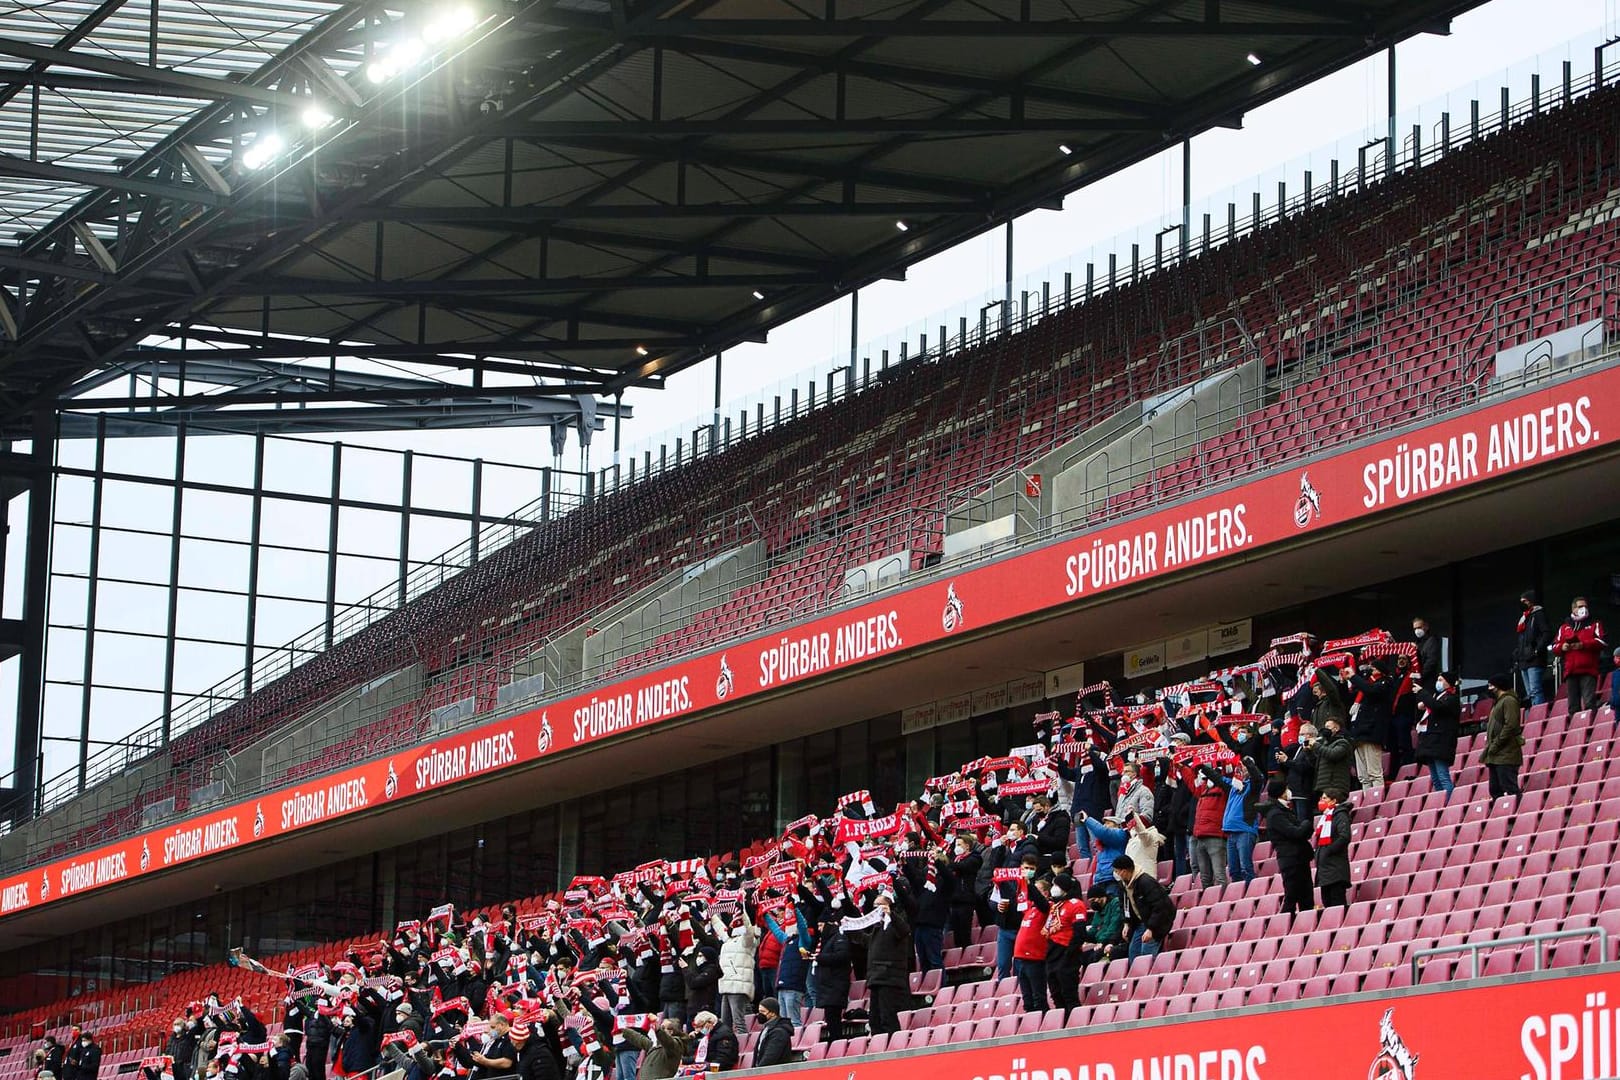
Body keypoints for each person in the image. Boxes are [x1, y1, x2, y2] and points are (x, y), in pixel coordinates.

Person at [851, 894, 910, 1036]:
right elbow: (866, 941)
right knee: (875, 1020)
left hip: (889, 978)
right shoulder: (878, 928)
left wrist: (891, 914)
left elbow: (904, 930)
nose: (876, 909)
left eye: (879, 905)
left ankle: (894, 1046)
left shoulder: (895, 924)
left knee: (887, 1017)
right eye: (874, 906)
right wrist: (849, 929)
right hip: (876, 978)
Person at [1257, 779, 1315, 916]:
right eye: (1286, 789)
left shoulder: (1284, 810)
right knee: (1292, 895)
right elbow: (1296, 832)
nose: (1289, 791)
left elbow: (1302, 831)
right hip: (1291, 860)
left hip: (1300, 858)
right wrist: (1307, 822)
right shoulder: (1276, 814)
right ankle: (1283, 924)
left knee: (1306, 897)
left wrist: (1303, 827)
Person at [1042, 873, 1089, 1013]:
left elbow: (1080, 932)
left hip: (1067, 951)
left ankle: (1074, 1023)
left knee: (1069, 992)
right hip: (1053, 951)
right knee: (1055, 992)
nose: (1054, 888)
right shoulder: (1055, 906)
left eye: (1056, 885)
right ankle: (1062, 1023)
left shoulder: (1076, 904)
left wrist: (1070, 952)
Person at [1112, 855, 1173, 964]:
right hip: (1141, 922)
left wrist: (1151, 929)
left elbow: (1160, 907)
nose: (1116, 874)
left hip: (1158, 921)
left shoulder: (1146, 882)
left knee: (1146, 954)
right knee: (1133, 953)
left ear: (1124, 871)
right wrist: (1126, 923)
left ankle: (1150, 978)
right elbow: (1124, 905)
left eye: (1117, 871)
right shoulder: (1123, 885)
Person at [1553, 597, 1607, 713]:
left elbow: (1603, 642)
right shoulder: (1564, 627)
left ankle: (1591, 728)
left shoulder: (1595, 624)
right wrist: (1562, 647)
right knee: (1573, 707)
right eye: (1580, 606)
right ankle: (1575, 729)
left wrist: (1583, 644)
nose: (1584, 609)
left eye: (1586, 606)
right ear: (1573, 609)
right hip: (1571, 671)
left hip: (1588, 670)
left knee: (1589, 703)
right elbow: (1553, 647)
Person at [1346, 661, 1394, 793]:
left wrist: (1354, 677)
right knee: (1363, 776)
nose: (1370, 670)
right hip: (1359, 733)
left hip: (1372, 733)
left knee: (1374, 773)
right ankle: (1367, 803)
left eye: (1373, 668)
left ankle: (1377, 802)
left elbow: (1371, 690)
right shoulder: (1366, 685)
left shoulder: (1385, 684)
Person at [1413, 670, 1461, 798]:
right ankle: (1441, 802)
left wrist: (1422, 693)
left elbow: (1438, 707)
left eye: (1441, 680)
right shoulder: (1436, 697)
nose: (1438, 683)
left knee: (1443, 777)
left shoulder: (1451, 699)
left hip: (1441, 743)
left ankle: (1449, 803)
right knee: (1435, 779)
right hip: (1431, 743)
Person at [711, 912, 756, 1038]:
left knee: (738, 1022)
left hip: (738, 985)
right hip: (726, 984)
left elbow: (749, 931)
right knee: (725, 1023)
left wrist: (743, 914)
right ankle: (726, 1046)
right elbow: (719, 927)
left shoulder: (746, 942)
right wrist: (711, 913)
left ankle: (744, 1047)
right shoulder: (728, 941)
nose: (731, 925)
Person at [1011, 875, 1052, 1012]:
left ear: (1046, 893)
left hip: (1035, 958)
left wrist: (1029, 885)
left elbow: (1041, 901)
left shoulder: (1047, 908)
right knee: (1027, 1000)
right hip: (1021, 958)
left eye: (1037, 889)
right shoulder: (1030, 909)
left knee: (1038, 998)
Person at [1483, 672, 1525, 799]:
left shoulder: (1509, 701)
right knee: (1495, 790)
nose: (1489, 689)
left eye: (1491, 686)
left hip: (1506, 753)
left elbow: (1511, 725)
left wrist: (1496, 743)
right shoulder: (1499, 702)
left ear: (1498, 686)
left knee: (1509, 787)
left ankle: (1516, 812)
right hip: (1497, 754)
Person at [809, 916, 850, 1043]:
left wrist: (820, 958)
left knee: (834, 1020)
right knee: (831, 1020)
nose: (820, 929)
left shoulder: (839, 937)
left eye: (821, 926)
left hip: (835, 987)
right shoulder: (828, 940)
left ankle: (837, 1045)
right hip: (829, 988)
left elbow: (842, 956)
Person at [1313, 788, 1353, 909]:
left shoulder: (1340, 815)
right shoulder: (1324, 818)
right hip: (1325, 871)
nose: (1321, 801)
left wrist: (1328, 850)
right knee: (1327, 903)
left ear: (1333, 801)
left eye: (1324, 798)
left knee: (1337, 905)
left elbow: (1344, 836)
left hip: (1336, 869)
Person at [1190, 769, 1228, 889]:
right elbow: (1190, 781)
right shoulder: (1203, 792)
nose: (1206, 781)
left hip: (1216, 837)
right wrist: (1182, 768)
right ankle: (1209, 904)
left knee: (1219, 874)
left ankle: (1223, 903)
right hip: (1200, 837)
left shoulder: (1223, 791)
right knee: (1204, 877)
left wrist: (1204, 767)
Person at [621, 1017, 691, 1080]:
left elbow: (668, 1041)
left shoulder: (676, 1045)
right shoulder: (655, 1045)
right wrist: (624, 1030)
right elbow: (640, 1039)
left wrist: (658, 1030)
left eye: (663, 1028)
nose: (660, 1029)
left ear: (671, 1032)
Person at [1515, 590, 1552, 706]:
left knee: (1536, 690)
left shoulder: (1538, 614)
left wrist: (1537, 650)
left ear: (1531, 601)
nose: (1522, 603)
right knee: (1530, 692)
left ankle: (1539, 714)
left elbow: (1547, 633)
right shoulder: (1524, 618)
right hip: (1524, 660)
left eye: (1524, 601)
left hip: (1535, 659)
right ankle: (1535, 715)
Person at [946, 833, 983, 949]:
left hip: (966, 899)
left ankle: (967, 954)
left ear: (967, 846)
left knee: (964, 932)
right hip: (954, 900)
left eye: (959, 844)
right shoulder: (956, 860)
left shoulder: (974, 858)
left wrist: (947, 864)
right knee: (956, 934)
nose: (956, 847)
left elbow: (962, 867)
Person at [1278, 724, 1317, 824]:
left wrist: (1287, 761)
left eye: (1303, 734)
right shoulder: (1300, 748)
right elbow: (1293, 767)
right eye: (1300, 734)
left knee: (1303, 823)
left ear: (1311, 735)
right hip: (1294, 791)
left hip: (1303, 792)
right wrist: (1283, 762)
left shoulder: (1313, 748)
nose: (1300, 736)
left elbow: (1305, 767)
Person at [1312, 717, 1354, 801]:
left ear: (1336, 729)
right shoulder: (1325, 744)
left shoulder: (1343, 742)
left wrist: (1316, 745)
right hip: (1324, 786)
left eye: (1328, 727)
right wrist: (1308, 751)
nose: (1325, 730)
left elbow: (1333, 754)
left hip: (1336, 786)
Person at [750, 1000, 794, 1068]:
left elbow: (770, 1058)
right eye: (759, 1011)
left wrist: (758, 1072)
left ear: (773, 1013)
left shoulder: (779, 1032)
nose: (760, 1014)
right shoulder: (766, 1028)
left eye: (763, 1012)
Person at [1412, 617, 1442, 686]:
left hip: (1428, 681)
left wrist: (1420, 675)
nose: (1417, 630)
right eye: (1415, 629)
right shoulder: (1417, 643)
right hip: (1417, 681)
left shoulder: (1432, 641)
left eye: (1419, 627)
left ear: (1426, 627)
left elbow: (1431, 662)